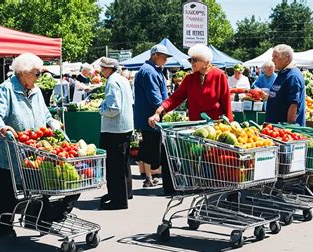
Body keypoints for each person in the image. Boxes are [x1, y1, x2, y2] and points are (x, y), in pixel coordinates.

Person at [0, 53, 68, 238]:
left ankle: (35, 219)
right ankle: (3, 230)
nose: (40, 77)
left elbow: (46, 116)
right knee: (3, 192)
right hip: (0, 152)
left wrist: (54, 125)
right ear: (24, 72)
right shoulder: (7, 89)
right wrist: (2, 127)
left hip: (27, 149)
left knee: (35, 186)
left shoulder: (35, 91)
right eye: (37, 73)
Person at [149, 43, 233, 125]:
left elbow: (226, 102)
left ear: (206, 62)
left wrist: (230, 123)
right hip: (194, 124)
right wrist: (159, 110)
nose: (191, 63)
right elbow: (176, 98)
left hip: (216, 125)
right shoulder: (189, 78)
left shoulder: (219, 75)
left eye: (194, 60)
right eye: (190, 60)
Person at [98, 57, 134, 210]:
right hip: (125, 126)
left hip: (114, 129)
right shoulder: (123, 79)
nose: (101, 71)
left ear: (108, 69)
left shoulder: (112, 82)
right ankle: (125, 193)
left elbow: (113, 109)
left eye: (102, 68)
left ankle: (118, 200)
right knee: (123, 163)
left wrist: (101, 109)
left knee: (114, 166)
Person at [134, 44, 172, 188]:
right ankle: (149, 178)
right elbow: (154, 97)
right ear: (155, 55)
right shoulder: (149, 71)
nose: (166, 60)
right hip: (151, 117)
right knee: (150, 148)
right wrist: (164, 109)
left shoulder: (151, 69)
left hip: (148, 116)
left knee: (149, 147)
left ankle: (151, 177)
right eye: (164, 57)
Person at [265, 44, 306, 126]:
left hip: (286, 130)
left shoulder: (293, 76)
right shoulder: (283, 73)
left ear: (286, 58)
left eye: (275, 57)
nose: (272, 60)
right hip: (275, 127)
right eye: (272, 57)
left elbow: (294, 104)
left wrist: (288, 128)